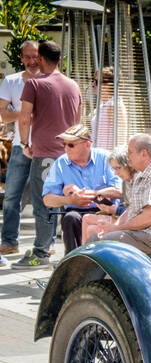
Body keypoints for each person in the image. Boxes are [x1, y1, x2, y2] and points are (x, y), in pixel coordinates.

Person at [16, 39, 81, 267]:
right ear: (60, 59)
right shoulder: (73, 85)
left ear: (41, 59)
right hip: (69, 154)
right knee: (67, 202)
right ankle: (69, 251)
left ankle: (41, 252)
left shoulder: (34, 84)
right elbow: (78, 121)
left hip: (44, 153)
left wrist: (25, 143)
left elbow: (24, 117)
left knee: (44, 202)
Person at [38, 123, 120, 253]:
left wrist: (91, 194)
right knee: (70, 218)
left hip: (104, 209)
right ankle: (73, 261)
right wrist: (70, 200)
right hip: (74, 211)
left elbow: (119, 190)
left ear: (87, 144)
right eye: (63, 144)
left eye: (71, 145)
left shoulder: (106, 158)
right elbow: (47, 199)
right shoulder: (60, 162)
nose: (66, 149)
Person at [0, 40, 44, 257]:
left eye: (35, 56)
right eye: (27, 57)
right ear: (21, 58)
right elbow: (3, 113)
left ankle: (45, 243)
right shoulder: (12, 80)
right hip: (19, 145)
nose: (32, 61)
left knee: (44, 196)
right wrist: (24, 112)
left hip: (45, 146)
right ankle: (9, 241)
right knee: (11, 196)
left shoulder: (50, 80)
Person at [80, 146, 133, 245]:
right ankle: (84, 256)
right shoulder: (125, 182)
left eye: (118, 168)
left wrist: (114, 209)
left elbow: (134, 211)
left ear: (129, 165)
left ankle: (84, 256)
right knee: (88, 221)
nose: (116, 173)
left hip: (129, 221)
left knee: (91, 227)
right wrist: (110, 208)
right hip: (122, 217)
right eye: (114, 169)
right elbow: (125, 206)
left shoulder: (135, 181)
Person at [88, 66, 129, 149]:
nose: (92, 84)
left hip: (107, 158)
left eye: (96, 82)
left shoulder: (114, 106)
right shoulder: (104, 105)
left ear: (107, 85)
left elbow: (120, 140)